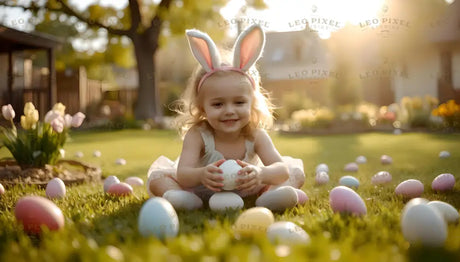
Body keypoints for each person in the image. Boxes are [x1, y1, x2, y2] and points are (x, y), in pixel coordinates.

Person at [147, 24, 305, 212]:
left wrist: (261, 174)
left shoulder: (256, 135)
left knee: (295, 173)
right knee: (158, 179)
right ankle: (185, 200)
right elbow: (183, 174)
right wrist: (202, 175)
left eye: (239, 103)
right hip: (201, 189)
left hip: (249, 187)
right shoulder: (198, 134)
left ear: (252, 104)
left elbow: (281, 169)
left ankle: (268, 197)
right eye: (218, 104)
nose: (229, 111)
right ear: (201, 107)